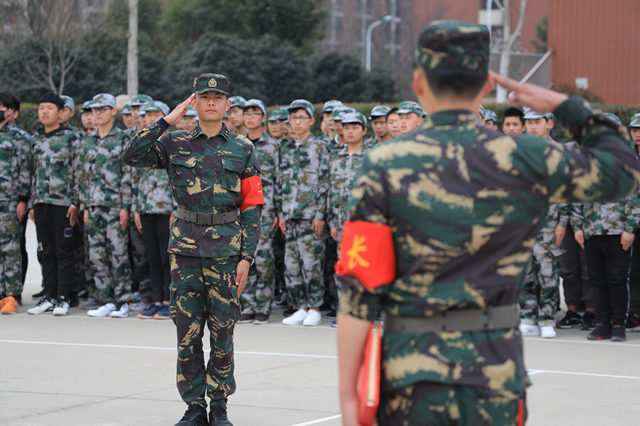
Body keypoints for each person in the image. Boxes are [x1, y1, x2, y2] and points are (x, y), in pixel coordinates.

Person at [335, 20, 640, 425]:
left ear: (419, 82)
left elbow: (359, 289)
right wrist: (564, 105)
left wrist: (348, 391)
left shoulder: (384, 163)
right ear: (484, 86)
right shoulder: (527, 157)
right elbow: (622, 170)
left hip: (410, 374)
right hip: (494, 371)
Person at [123, 73, 263, 426]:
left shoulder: (244, 149)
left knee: (223, 332)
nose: (211, 102)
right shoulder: (174, 142)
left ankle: (219, 407)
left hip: (226, 252)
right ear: (194, 102)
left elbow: (252, 206)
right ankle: (194, 407)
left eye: (218, 97)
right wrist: (166, 120)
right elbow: (131, 154)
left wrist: (247, 256)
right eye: (204, 96)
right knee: (186, 333)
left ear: (228, 104)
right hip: (185, 250)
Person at [571, 113, 640, 342]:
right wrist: (578, 226)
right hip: (591, 232)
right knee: (597, 280)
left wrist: (630, 228)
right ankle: (602, 323)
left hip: (617, 232)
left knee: (618, 280)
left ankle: (618, 324)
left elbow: (634, 199)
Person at [20, 93, 80, 316]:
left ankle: (64, 297)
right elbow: (30, 172)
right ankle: (49, 296)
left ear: (61, 112)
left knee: (64, 251)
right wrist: (30, 203)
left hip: (63, 203)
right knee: (45, 251)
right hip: (41, 203)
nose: (44, 112)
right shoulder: (35, 140)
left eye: (49, 108)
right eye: (41, 108)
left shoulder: (71, 138)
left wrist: (75, 202)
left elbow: (78, 171)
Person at [79, 93, 134, 318]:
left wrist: (125, 206)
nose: (98, 113)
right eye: (95, 110)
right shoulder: (88, 141)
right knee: (97, 255)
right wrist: (84, 205)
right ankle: (106, 299)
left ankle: (123, 300)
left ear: (113, 111)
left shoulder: (122, 139)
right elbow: (83, 175)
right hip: (93, 206)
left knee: (118, 254)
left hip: (114, 205)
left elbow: (127, 174)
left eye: (103, 109)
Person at [278, 99, 329, 326]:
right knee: (291, 264)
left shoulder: (319, 147)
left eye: (301, 117)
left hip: (310, 216)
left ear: (311, 120)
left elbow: (326, 182)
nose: (296, 122)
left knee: (311, 263)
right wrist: (280, 213)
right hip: (290, 215)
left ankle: (315, 307)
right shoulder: (286, 148)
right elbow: (281, 183)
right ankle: (300, 306)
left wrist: (321, 214)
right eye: (293, 117)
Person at [130, 100, 175, 320]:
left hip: (167, 210)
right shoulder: (141, 145)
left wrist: (177, 210)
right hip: (146, 208)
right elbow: (134, 180)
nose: (149, 119)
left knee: (168, 258)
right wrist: (136, 209)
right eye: (146, 115)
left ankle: (169, 300)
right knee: (152, 257)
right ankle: (156, 300)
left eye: (155, 114)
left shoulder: (172, 143)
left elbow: (180, 180)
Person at [238, 99, 280, 324]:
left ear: (263, 118)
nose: (251, 117)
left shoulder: (273, 147)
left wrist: (277, 211)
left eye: (256, 113)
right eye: (247, 113)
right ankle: (248, 303)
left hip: (266, 208)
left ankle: (263, 304)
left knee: (263, 258)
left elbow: (280, 180)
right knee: (244, 256)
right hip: (243, 208)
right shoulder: (238, 144)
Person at [0, 92, 30, 314]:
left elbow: (24, 170)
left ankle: (12, 294)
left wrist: (22, 199)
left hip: (10, 201)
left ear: (12, 112)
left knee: (11, 249)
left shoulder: (19, 137)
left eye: (3, 107)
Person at [626, 112, 640, 331]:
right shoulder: (626, 157)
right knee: (634, 269)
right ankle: (636, 312)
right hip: (632, 222)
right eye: (635, 130)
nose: (638, 134)